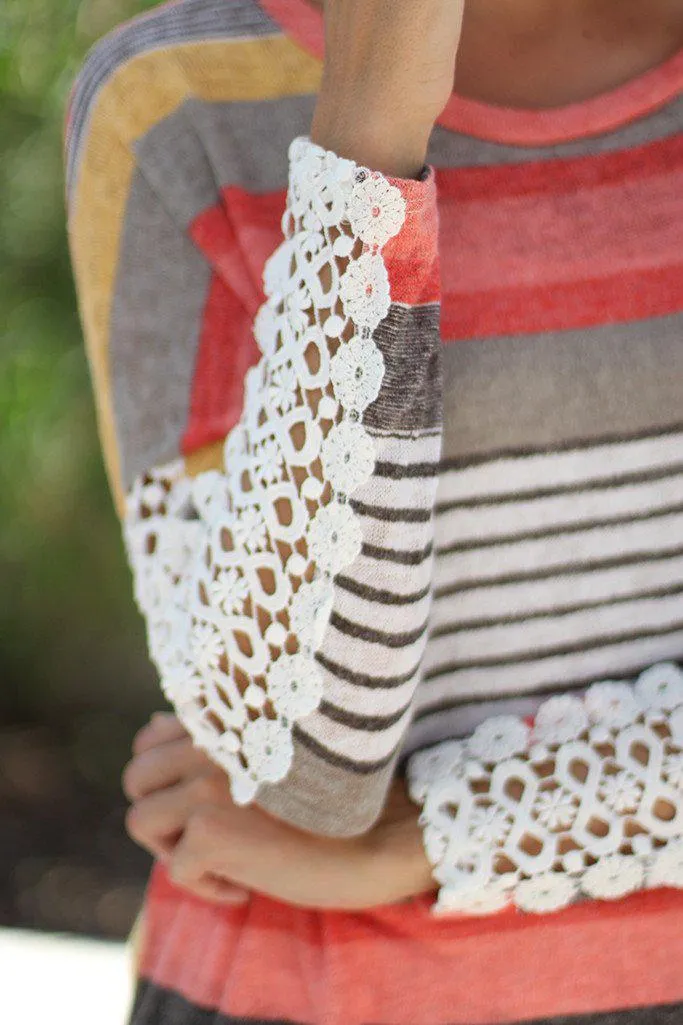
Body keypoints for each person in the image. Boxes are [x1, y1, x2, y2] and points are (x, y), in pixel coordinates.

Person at [64, 1, 683, 1022]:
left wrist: (432, 836)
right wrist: (365, 134)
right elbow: (296, 769)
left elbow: (329, 817)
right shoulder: (176, 106)